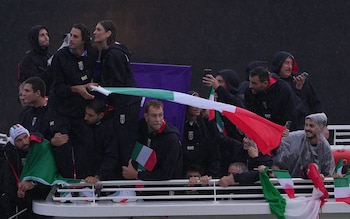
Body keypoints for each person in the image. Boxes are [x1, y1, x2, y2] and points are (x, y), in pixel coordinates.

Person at [49, 23, 98, 179]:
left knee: (87, 144)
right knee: (63, 144)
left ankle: (85, 182)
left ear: (84, 40)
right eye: (71, 35)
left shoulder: (92, 53)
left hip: (79, 110)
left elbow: (90, 74)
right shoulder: (59, 57)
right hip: (61, 109)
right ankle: (65, 183)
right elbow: (57, 89)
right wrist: (78, 89)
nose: (71, 39)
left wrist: (90, 84)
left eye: (76, 36)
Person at [93, 20, 141, 168]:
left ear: (108, 33)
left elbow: (117, 81)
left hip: (126, 105)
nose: (94, 32)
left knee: (124, 141)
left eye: (98, 29)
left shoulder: (114, 54)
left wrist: (98, 85)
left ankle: (128, 178)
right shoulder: (109, 53)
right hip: (122, 105)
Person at [1, 124, 58, 219]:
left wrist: (34, 183)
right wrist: (18, 189)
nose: (24, 142)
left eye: (25, 137)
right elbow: (10, 176)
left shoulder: (40, 147)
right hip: (23, 200)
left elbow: (49, 171)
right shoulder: (9, 153)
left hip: (43, 195)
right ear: (13, 143)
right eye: (19, 140)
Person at [122, 100, 182, 180]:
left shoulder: (171, 139)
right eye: (154, 116)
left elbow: (166, 174)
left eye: (160, 115)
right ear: (146, 117)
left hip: (164, 187)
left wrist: (136, 175)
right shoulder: (140, 128)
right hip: (141, 182)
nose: (158, 120)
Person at [270, 51, 322, 129]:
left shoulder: (301, 81)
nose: (289, 67)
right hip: (281, 129)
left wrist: (319, 125)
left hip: (303, 127)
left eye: (291, 63)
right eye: (286, 63)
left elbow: (314, 104)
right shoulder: (272, 82)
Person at [273, 112, 335, 177]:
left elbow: (328, 173)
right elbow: (277, 159)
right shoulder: (294, 139)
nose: (307, 128)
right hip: (289, 183)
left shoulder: (325, 148)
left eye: (311, 126)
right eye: (306, 125)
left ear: (321, 128)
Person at [182, 91, 221, 177]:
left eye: (198, 103)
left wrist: (210, 175)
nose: (197, 106)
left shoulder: (206, 125)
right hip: (183, 174)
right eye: (193, 103)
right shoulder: (180, 125)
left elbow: (214, 148)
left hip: (204, 175)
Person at [83, 98, 120, 183]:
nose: (85, 117)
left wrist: (99, 175)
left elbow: (111, 156)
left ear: (101, 115)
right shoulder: (84, 125)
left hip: (104, 180)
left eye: (90, 115)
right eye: (85, 113)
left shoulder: (109, 130)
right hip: (84, 177)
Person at [18, 25, 52, 95]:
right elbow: (32, 82)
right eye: (42, 35)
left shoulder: (50, 56)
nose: (46, 38)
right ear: (35, 38)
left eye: (47, 34)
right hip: (36, 100)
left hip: (52, 97)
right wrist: (49, 71)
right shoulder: (28, 59)